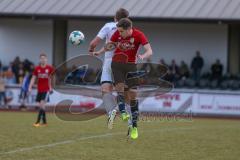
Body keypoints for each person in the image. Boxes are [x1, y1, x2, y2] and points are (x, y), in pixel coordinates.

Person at [107, 18, 152, 139]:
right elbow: (109, 45)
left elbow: (149, 50)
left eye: (121, 31)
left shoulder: (139, 35)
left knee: (133, 95)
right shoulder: (118, 33)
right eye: (118, 31)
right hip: (117, 64)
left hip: (131, 66)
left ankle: (134, 126)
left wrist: (143, 55)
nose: (119, 33)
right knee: (120, 89)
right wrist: (107, 47)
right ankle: (122, 112)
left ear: (128, 29)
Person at [88, 8, 129, 129]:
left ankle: (111, 112)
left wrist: (92, 50)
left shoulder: (109, 26)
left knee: (106, 89)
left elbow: (94, 42)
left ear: (115, 18)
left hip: (109, 61)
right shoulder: (129, 29)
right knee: (121, 89)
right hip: (123, 61)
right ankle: (122, 110)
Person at [28, 53, 54, 127]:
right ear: (40, 59)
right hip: (39, 90)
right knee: (41, 106)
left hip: (46, 90)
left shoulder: (50, 68)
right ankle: (45, 122)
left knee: (42, 104)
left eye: (44, 58)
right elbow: (33, 78)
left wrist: (51, 87)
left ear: (46, 59)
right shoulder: (37, 68)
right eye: (41, 58)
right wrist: (30, 87)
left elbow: (51, 79)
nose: (43, 59)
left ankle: (37, 122)